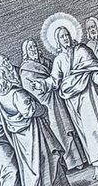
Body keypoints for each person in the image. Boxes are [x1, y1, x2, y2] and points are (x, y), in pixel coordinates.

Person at [0, 56, 75, 186]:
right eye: (8, 72)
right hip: (34, 134)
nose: (12, 72)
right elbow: (28, 111)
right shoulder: (16, 93)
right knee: (47, 164)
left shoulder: (1, 97)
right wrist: (42, 108)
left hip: (22, 139)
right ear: (6, 77)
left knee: (34, 170)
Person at [48, 26, 98, 180]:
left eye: (67, 35)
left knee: (96, 128)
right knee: (86, 133)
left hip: (89, 95)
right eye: (62, 36)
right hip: (72, 101)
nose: (65, 38)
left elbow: (95, 71)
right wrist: (42, 85)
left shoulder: (82, 51)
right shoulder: (59, 60)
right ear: (58, 41)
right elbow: (54, 80)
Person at [20, 39, 85, 170]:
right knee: (59, 133)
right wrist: (45, 87)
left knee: (68, 129)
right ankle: (70, 163)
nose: (33, 50)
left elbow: (57, 76)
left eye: (34, 46)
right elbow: (30, 90)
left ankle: (80, 158)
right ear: (26, 52)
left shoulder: (45, 62)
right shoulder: (26, 70)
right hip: (47, 104)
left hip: (58, 101)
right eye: (30, 48)